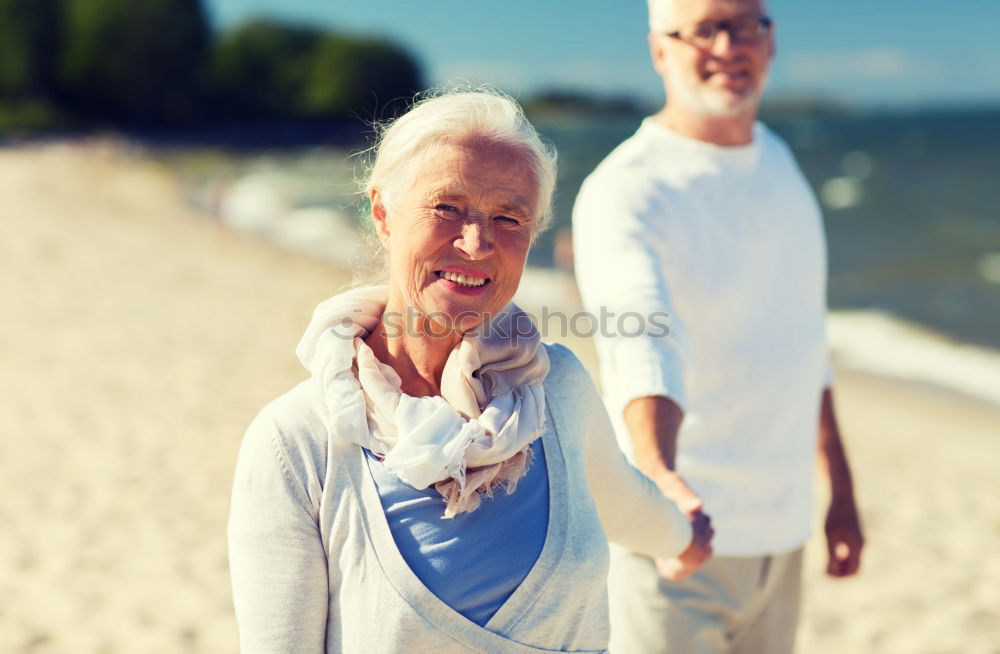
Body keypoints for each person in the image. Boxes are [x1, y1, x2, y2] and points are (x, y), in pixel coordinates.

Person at [227, 89, 712, 654]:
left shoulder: (555, 388)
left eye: (508, 217)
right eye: (447, 208)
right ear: (383, 213)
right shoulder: (298, 442)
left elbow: (621, 499)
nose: (476, 244)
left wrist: (685, 535)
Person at [572, 1, 864, 652]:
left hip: (783, 534)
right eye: (705, 27)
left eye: (747, 24)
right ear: (659, 51)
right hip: (678, 539)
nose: (729, 45)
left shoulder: (782, 166)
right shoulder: (626, 189)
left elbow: (804, 341)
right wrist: (659, 480)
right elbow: (643, 340)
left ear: (773, 39)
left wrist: (839, 490)